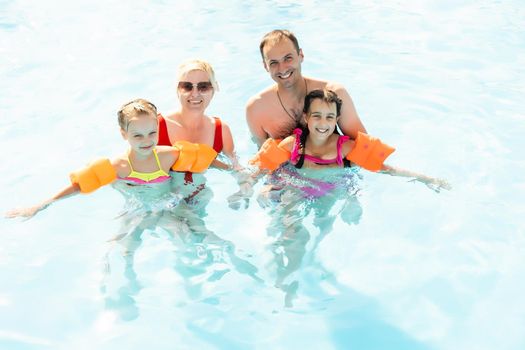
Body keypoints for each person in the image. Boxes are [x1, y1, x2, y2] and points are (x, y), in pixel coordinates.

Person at [5, 98, 218, 219]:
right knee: (123, 251)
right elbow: (80, 186)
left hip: (172, 206)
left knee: (200, 231)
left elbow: (203, 159)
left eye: (152, 133)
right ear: (123, 134)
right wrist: (40, 205)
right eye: (137, 135)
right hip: (137, 211)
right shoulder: (118, 167)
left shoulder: (167, 155)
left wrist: (236, 170)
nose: (147, 140)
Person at [249, 89, 451, 192]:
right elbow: (262, 168)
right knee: (287, 229)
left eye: (329, 117)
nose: (322, 123)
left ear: (336, 120)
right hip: (296, 189)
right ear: (306, 118)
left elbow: (385, 169)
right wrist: (246, 189)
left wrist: (428, 180)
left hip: (331, 191)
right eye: (316, 116)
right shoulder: (294, 145)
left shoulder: (345, 149)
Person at [246, 29, 367, 146]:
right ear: (265, 66)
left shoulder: (334, 93)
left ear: (301, 55)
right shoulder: (256, 109)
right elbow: (262, 159)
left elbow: (364, 146)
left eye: (288, 58)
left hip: (333, 165)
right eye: (273, 63)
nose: (282, 69)